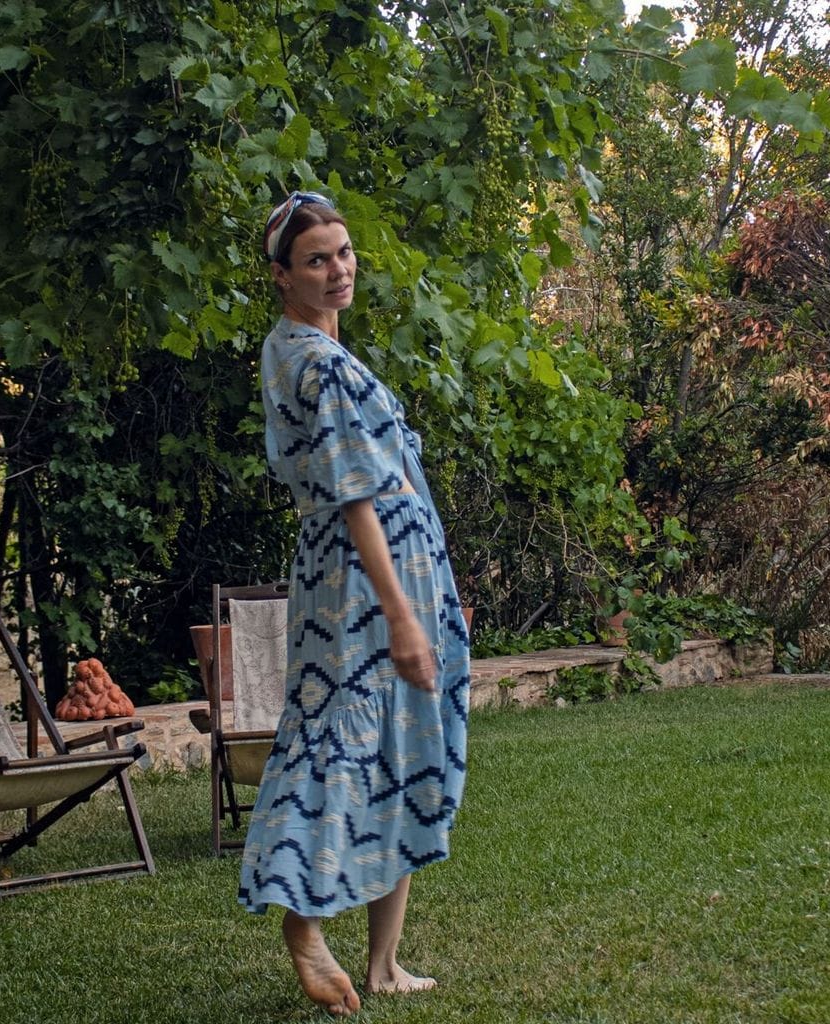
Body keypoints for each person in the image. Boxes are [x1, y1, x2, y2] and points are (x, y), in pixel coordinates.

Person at [236, 191, 471, 1017]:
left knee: (395, 749)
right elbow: (357, 497)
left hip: (393, 570)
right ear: (281, 276)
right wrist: (403, 612)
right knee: (344, 744)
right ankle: (304, 927)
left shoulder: (300, 349)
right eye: (316, 259)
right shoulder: (317, 362)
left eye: (343, 253)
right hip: (365, 581)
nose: (337, 270)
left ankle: (383, 962)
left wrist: (440, 593)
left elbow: (392, 481)